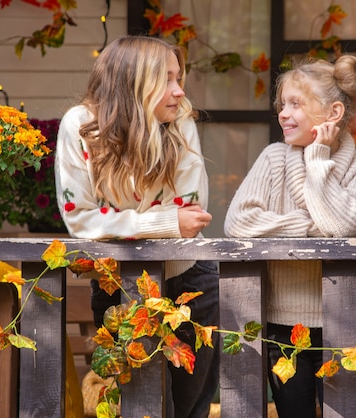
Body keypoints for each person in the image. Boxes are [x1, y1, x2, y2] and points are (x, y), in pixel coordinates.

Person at [54, 35, 219, 418]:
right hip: (118, 284)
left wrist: (123, 222)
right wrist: (163, 220)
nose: (179, 91)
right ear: (132, 81)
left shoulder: (179, 122)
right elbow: (81, 219)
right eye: (167, 79)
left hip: (190, 280)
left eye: (180, 78)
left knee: (191, 406)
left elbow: (191, 216)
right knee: (137, 407)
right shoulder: (81, 125)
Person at [224, 55, 356, 418]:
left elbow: (341, 227)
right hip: (282, 326)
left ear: (333, 113)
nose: (282, 112)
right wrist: (306, 226)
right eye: (282, 104)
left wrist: (318, 161)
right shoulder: (273, 158)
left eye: (296, 103)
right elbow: (238, 223)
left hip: (343, 321)